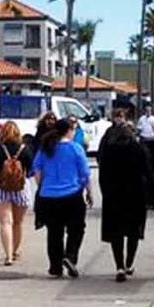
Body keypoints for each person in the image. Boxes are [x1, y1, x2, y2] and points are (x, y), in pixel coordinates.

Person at [32, 117, 92, 278]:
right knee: (76, 228)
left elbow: (36, 169)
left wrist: (42, 186)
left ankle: (55, 266)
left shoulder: (46, 148)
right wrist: (89, 192)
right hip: (72, 194)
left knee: (54, 232)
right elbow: (85, 174)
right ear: (69, 131)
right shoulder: (75, 148)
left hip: (49, 195)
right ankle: (70, 255)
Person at [99, 118, 154, 281]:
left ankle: (119, 266)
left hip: (113, 196)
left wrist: (105, 192)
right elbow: (148, 171)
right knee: (133, 232)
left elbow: (102, 174)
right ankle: (129, 263)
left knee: (116, 233)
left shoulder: (109, 151)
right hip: (135, 195)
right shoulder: (138, 149)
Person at [0, 120, 33, 266]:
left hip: (1, 188)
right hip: (21, 188)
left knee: (5, 222)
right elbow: (30, 170)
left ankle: (8, 255)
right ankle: (14, 250)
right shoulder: (25, 149)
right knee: (18, 223)